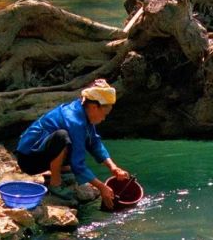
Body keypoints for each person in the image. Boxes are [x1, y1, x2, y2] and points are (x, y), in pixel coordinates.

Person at [15, 79, 129, 211]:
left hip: (42, 151)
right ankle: (55, 183)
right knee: (62, 137)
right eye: (104, 114)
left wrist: (113, 167)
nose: (104, 118)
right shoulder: (74, 121)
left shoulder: (82, 111)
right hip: (29, 159)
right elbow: (78, 164)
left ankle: (61, 170)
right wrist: (102, 187)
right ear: (93, 107)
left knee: (73, 143)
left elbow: (94, 143)